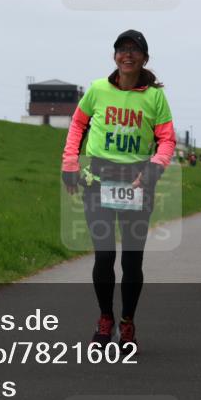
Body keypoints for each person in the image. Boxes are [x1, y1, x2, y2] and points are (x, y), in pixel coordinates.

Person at [62, 30, 175, 351]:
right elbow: (77, 125)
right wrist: (70, 164)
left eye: (134, 51)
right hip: (98, 182)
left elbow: (166, 139)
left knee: (132, 260)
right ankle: (104, 319)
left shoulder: (154, 97)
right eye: (122, 50)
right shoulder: (98, 90)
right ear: (115, 56)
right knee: (105, 255)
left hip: (137, 183)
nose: (128, 55)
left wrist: (153, 170)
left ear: (145, 58)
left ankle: (127, 322)